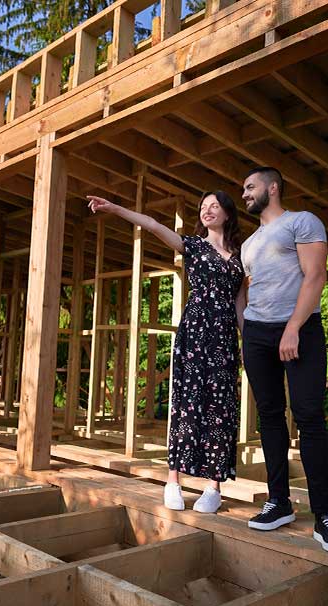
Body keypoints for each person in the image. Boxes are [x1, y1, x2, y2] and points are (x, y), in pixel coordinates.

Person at [87, 191, 244, 514]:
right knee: (186, 402)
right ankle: (173, 480)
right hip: (195, 334)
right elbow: (154, 225)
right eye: (202, 207)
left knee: (221, 408)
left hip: (225, 340)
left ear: (228, 213)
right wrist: (116, 208)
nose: (207, 211)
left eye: (214, 206)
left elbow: (240, 306)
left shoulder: (242, 258)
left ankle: (213, 486)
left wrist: (250, 342)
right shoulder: (193, 246)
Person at [238, 167, 328, 555]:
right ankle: (279, 502)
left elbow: (316, 275)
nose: (244, 195)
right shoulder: (249, 243)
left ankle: (325, 516)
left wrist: (293, 328)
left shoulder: (302, 222)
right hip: (257, 334)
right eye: (242, 190)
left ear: (273, 187)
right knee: (269, 416)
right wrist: (247, 333)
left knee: (309, 416)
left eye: (250, 187)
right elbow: (251, 291)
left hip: (299, 329)